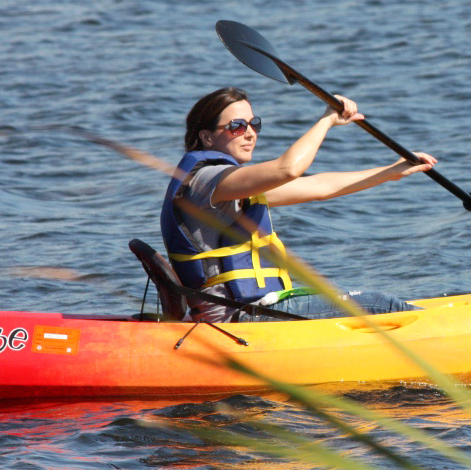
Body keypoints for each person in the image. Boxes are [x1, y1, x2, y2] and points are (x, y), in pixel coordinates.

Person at [159, 86, 435, 323]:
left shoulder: (231, 186)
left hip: (252, 308)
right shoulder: (207, 180)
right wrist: (326, 120)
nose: (250, 133)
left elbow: (319, 187)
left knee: (372, 304)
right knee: (381, 306)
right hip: (239, 318)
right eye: (236, 126)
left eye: (254, 124)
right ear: (207, 137)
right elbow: (289, 169)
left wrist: (392, 171)